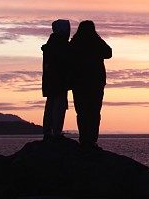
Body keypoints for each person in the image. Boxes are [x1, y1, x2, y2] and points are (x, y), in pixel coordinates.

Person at [69, 20, 112, 148]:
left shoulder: (74, 43)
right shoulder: (96, 42)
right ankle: (92, 140)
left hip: (79, 83)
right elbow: (108, 53)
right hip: (95, 82)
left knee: (81, 112)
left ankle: (83, 139)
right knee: (94, 112)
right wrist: (98, 38)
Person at [41, 19, 71, 140]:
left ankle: (48, 131)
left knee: (51, 105)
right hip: (59, 81)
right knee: (58, 106)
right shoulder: (61, 45)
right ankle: (56, 132)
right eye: (67, 28)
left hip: (51, 81)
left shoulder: (51, 44)